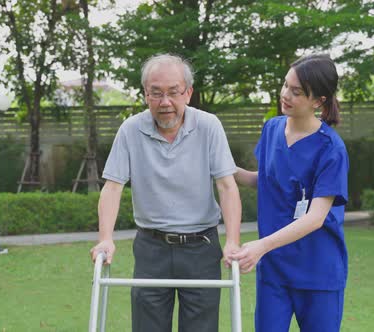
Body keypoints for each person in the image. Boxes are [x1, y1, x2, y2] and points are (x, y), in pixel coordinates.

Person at [89, 53, 242, 332]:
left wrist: (232, 240)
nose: (165, 102)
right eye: (156, 93)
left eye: (174, 92)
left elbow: (227, 185)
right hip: (151, 248)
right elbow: (112, 187)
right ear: (146, 95)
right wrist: (105, 239)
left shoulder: (209, 126)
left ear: (188, 93)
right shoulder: (130, 130)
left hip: (201, 247)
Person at [232, 54, 349, 332]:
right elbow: (265, 180)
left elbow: (315, 217)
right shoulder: (272, 128)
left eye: (296, 92)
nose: (285, 94)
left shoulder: (331, 149)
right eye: (286, 85)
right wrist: (221, 168)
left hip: (317, 272)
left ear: (318, 101)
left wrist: (260, 246)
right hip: (275, 270)